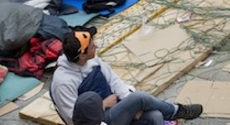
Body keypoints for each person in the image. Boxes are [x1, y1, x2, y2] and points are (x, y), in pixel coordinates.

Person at [50, 27, 203, 125]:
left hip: (115, 108)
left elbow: (114, 80)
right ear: (82, 55)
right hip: (100, 120)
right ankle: (176, 111)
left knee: (155, 116)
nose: (96, 46)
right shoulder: (63, 83)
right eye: (91, 46)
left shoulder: (92, 60)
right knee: (140, 98)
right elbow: (75, 119)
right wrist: (102, 106)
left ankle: (166, 112)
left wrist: (129, 105)